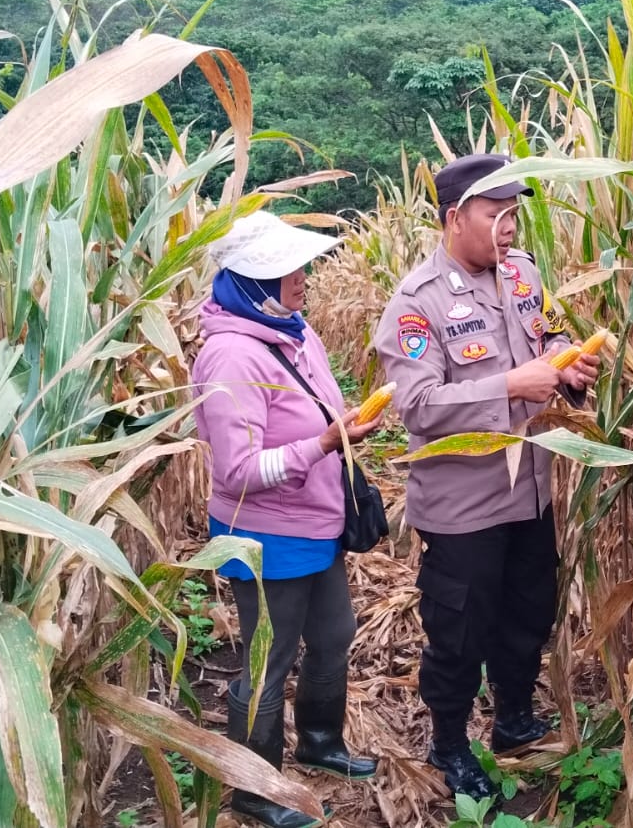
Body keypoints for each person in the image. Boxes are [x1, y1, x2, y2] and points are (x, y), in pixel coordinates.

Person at [374, 153, 601, 801]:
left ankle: (512, 719)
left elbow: (546, 332)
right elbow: (415, 403)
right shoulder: (416, 304)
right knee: (460, 631)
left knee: (527, 615)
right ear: (454, 218)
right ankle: (448, 743)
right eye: (495, 214)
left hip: (531, 491)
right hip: (465, 506)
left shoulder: (523, 273)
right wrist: (507, 384)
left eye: (514, 213)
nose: (509, 227)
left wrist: (566, 362)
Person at [192, 211, 382, 828]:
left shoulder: (294, 333)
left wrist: (344, 426)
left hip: (317, 522)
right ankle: (254, 788)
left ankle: (320, 741)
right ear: (251, 282)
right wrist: (324, 445)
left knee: (332, 636)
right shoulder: (231, 358)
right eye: (286, 270)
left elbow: (319, 411)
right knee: (267, 658)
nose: (302, 278)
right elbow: (238, 471)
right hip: (264, 536)